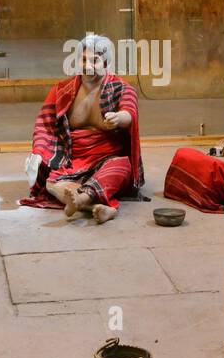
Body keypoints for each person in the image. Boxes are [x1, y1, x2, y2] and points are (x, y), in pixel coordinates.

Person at [20, 34, 142, 224]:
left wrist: (119, 118)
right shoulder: (62, 90)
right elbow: (44, 124)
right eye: (84, 59)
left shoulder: (122, 88)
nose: (87, 65)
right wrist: (38, 153)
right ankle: (98, 207)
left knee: (121, 167)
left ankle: (81, 199)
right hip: (72, 159)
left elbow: (129, 112)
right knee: (51, 182)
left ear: (106, 63)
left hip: (106, 158)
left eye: (95, 60)